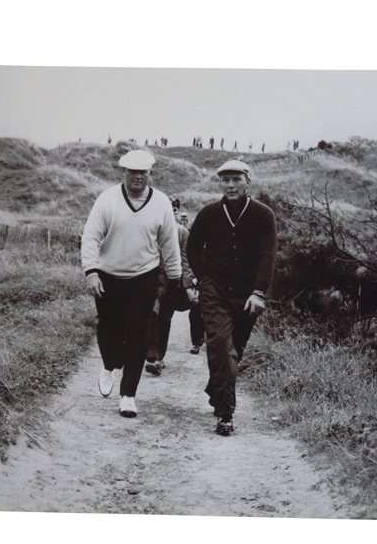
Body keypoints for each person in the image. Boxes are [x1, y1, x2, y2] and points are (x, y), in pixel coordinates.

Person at [81, 150, 181, 418]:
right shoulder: (107, 200)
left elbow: (170, 244)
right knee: (109, 328)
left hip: (144, 277)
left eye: (143, 172)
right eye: (132, 172)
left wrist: (175, 278)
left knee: (139, 334)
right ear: (123, 172)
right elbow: (90, 237)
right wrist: (91, 271)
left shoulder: (161, 203)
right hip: (108, 276)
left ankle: (128, 395)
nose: (137, 177)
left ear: (150, 174)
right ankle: (109, 364)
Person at [187, 159, 277, 436]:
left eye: (236, 179)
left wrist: (259, 292)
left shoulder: (263, 215)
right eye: (225, 180)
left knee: (234, 349)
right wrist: (203, 280)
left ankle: (217, 389)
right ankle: (225, 414)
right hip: (214, 290)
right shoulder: (209, 213)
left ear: (248, 181)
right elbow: (192, 248)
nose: (230, 185)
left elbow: (267, 255)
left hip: (248, 294)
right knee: (219, 344)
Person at [145, 199, 204, 375]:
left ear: (176, 211)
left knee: (164, 319)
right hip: (151, 281)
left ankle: (159, 357)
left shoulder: (182, 233)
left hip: (173, 283)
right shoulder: (149, 229)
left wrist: (186, 286)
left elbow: (186, 262)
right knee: (151, 315)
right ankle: (153, 357)